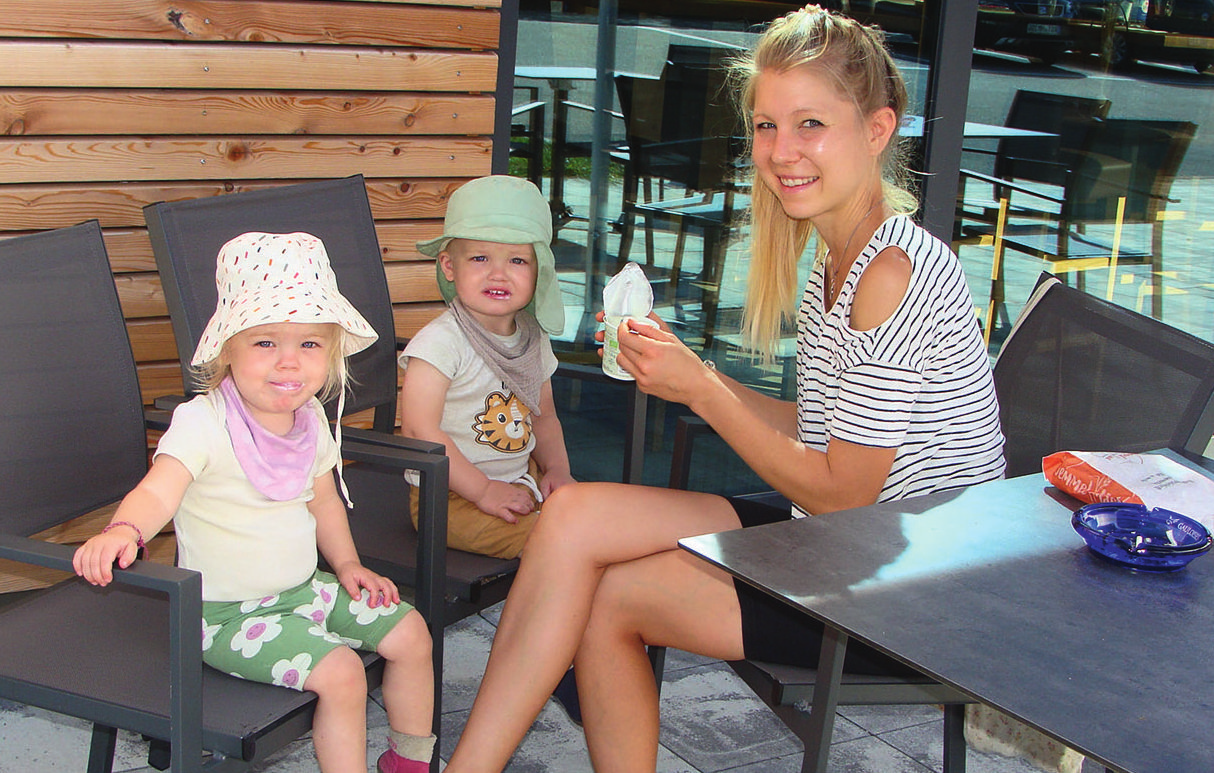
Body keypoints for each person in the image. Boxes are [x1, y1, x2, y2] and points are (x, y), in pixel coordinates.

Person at [442, 6, 1006, 772]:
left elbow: (845, 491)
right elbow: (821, 426)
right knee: (571, 514)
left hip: (913, 595)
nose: (781, 151)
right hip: (843, 539)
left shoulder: (891, 273)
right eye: (767, 126)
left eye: (810, 124)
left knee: (612, 598)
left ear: (877, 129)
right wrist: (690, 378)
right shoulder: (840, 255)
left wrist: (705, 389)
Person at [73, 232, 436, 773]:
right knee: (342, 673)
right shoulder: (202, 423)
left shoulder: (310, 416)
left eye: (309, 344)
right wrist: (125, 530)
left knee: (411, 632)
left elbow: (323, 499)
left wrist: (348, 565)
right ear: (228, 349)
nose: (289, 363)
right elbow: (159, 489)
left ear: (331, 354)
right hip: (224, 616)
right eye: (266, 342)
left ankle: (407, 761)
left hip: (305, 590)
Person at [398, 175, 574, 559]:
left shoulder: (532, 338)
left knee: (593, 520)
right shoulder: (441, 344)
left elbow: (544, 417)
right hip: (448, 498)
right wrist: (482, 490)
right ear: (448, 266)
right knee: (563, 545)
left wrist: (558, 469)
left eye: (517, 260)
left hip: (522, 479)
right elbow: (417, 429)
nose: (498, 273)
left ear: (537, 271)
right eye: (480, 258)